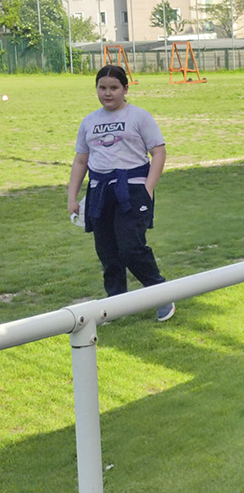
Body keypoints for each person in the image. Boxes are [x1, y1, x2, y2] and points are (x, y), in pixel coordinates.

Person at [67, 65, 175, 322]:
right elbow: (81, 160)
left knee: (130, 247)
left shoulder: (139, 117)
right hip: (100, 192)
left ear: (125, 89)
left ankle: (161, 294)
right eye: (102, 88)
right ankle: (115, 305)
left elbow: (158, 152)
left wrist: (148, 187)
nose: (108, 93)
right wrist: (72, 197)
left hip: (133, 189)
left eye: (114, 88)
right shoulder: (89, 122)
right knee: (107, 251)